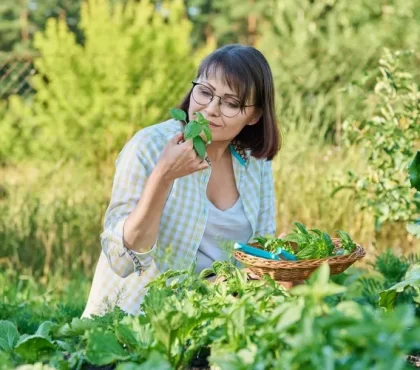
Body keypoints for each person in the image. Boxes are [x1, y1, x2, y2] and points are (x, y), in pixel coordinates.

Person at [82, 44, 283, 318]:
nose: (211, 109)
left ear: (255, 115)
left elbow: (261, 249)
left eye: (231, 103)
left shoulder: (255, 163)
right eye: (205, 92)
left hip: (215, 317)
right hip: (133, 321)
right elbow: (122, 260)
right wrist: (163, 176)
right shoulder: (148, 147)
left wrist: (276, 268)